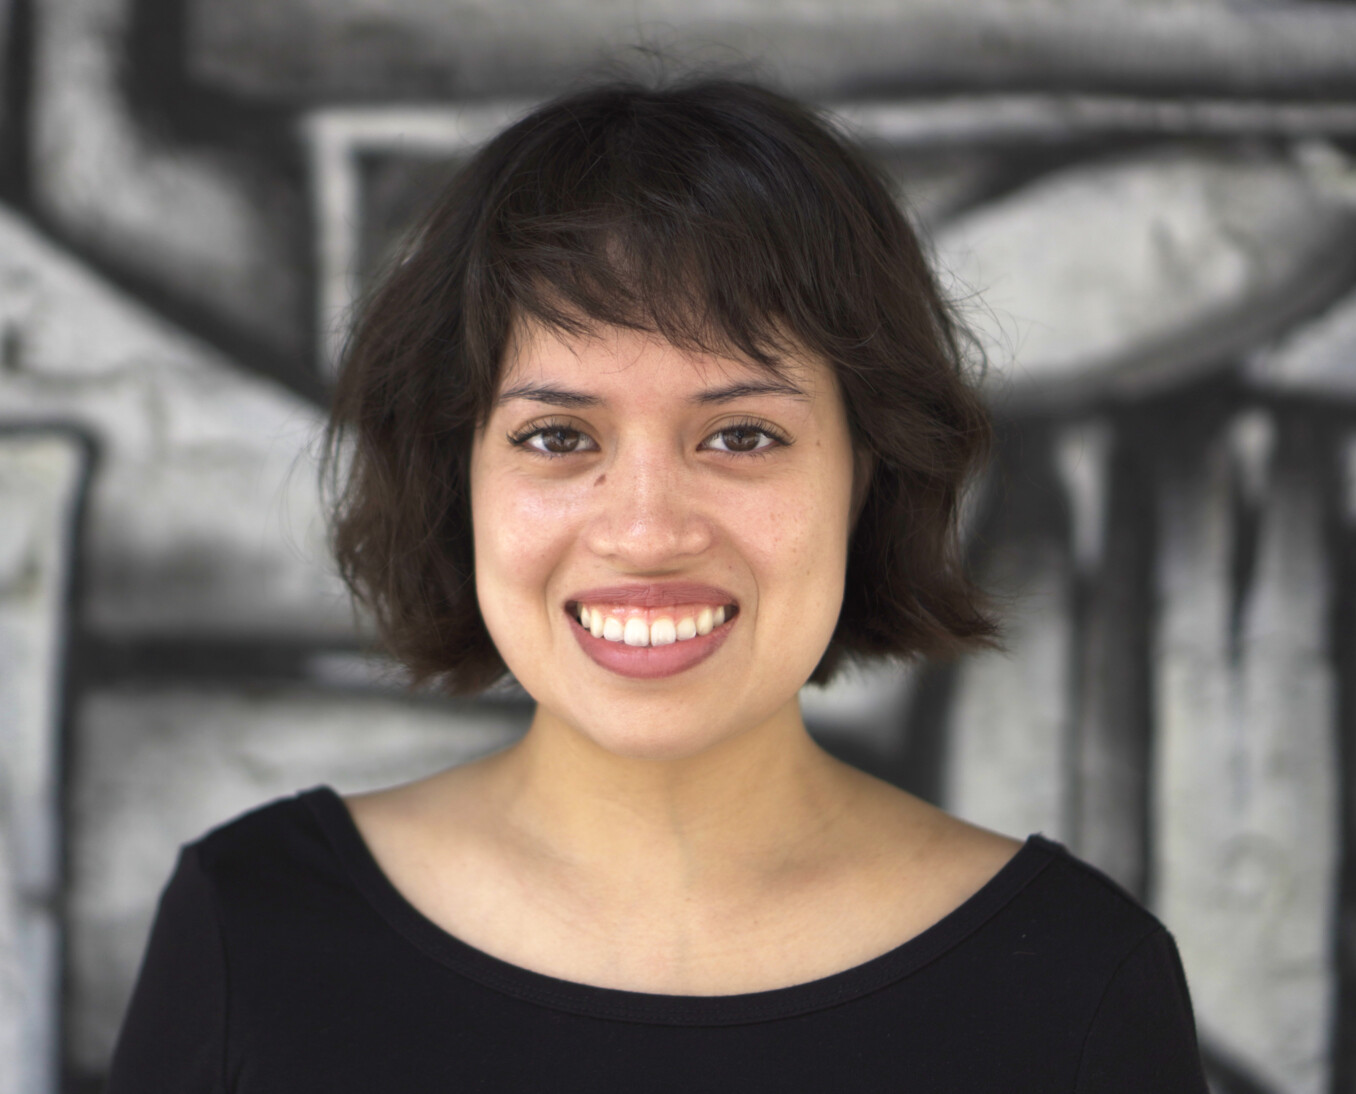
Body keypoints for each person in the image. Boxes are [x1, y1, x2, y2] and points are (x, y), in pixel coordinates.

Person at [106, 76, 1209, 1092]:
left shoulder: (1076, 980)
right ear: (459, 476)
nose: (645, 528)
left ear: (866, 471)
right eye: (555, 436)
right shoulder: (251, 930)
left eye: (738, 434)